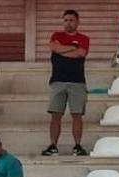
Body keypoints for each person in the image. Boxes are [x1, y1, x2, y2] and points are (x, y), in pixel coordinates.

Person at [44, 10, 90, 158]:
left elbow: (81, 53)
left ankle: (77, 145)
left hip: (77, 81)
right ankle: (53, 145)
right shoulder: (56, 35)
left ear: (77, 22)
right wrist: (72, 47)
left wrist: (62, 49)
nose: (68, 23)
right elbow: (53, 48)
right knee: (55, 114)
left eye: (71, 20)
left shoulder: (84, 38)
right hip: (58, 80)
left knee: (77, 114)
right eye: (65, 20)